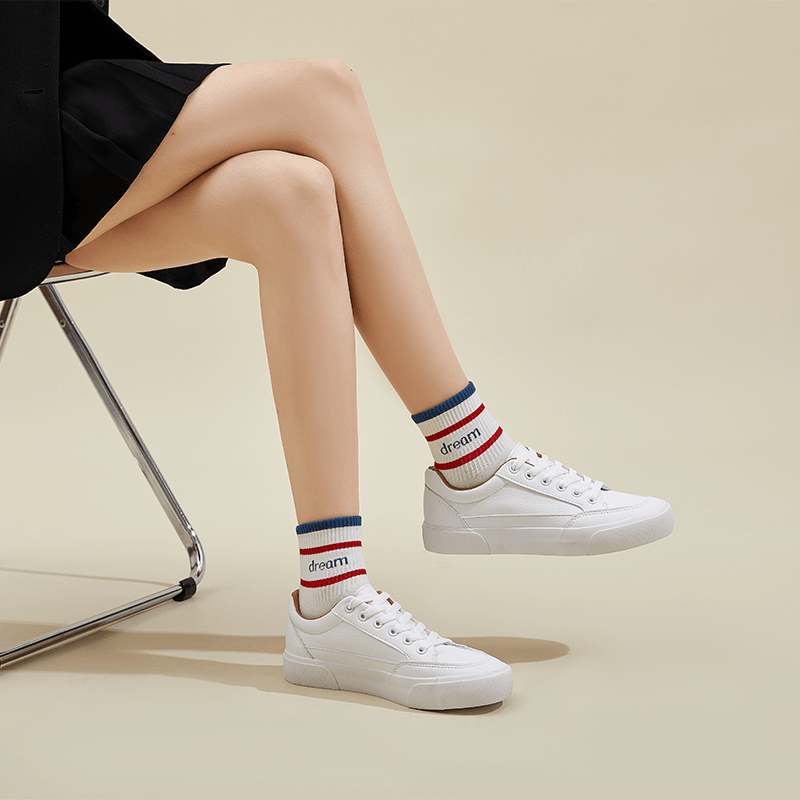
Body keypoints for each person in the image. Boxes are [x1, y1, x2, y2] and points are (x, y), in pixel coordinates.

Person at [1, 0, 673, 710]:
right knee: (324, 91)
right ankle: (472, 456)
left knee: (292, 195)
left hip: (41, 110)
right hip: (18, 148)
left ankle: (333, 598)